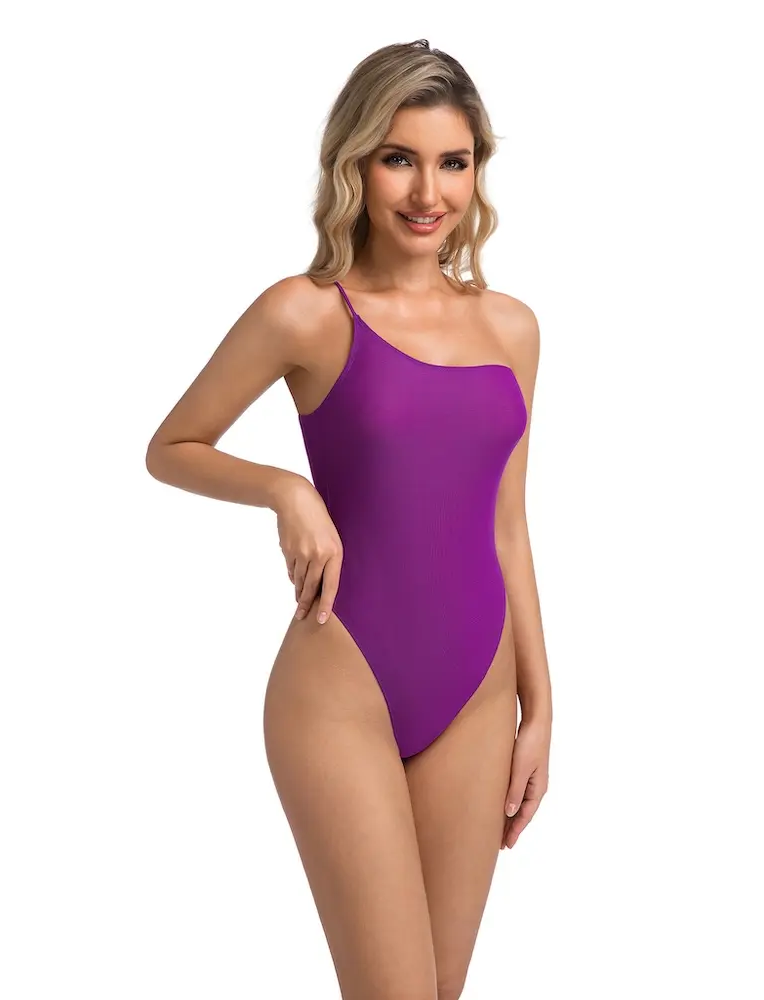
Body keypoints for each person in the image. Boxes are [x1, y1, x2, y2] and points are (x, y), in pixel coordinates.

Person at [145, 38, 552, 1000]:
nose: (427, 192)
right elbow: (172, 446)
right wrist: (286, 489)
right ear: (355, 163)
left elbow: (509, 525)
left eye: (453, 161)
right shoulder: (305, 312)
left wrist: (541, 708)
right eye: (398, 158)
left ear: (477, 171)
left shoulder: (512, 328)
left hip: (479, 693)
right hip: (341, 689)